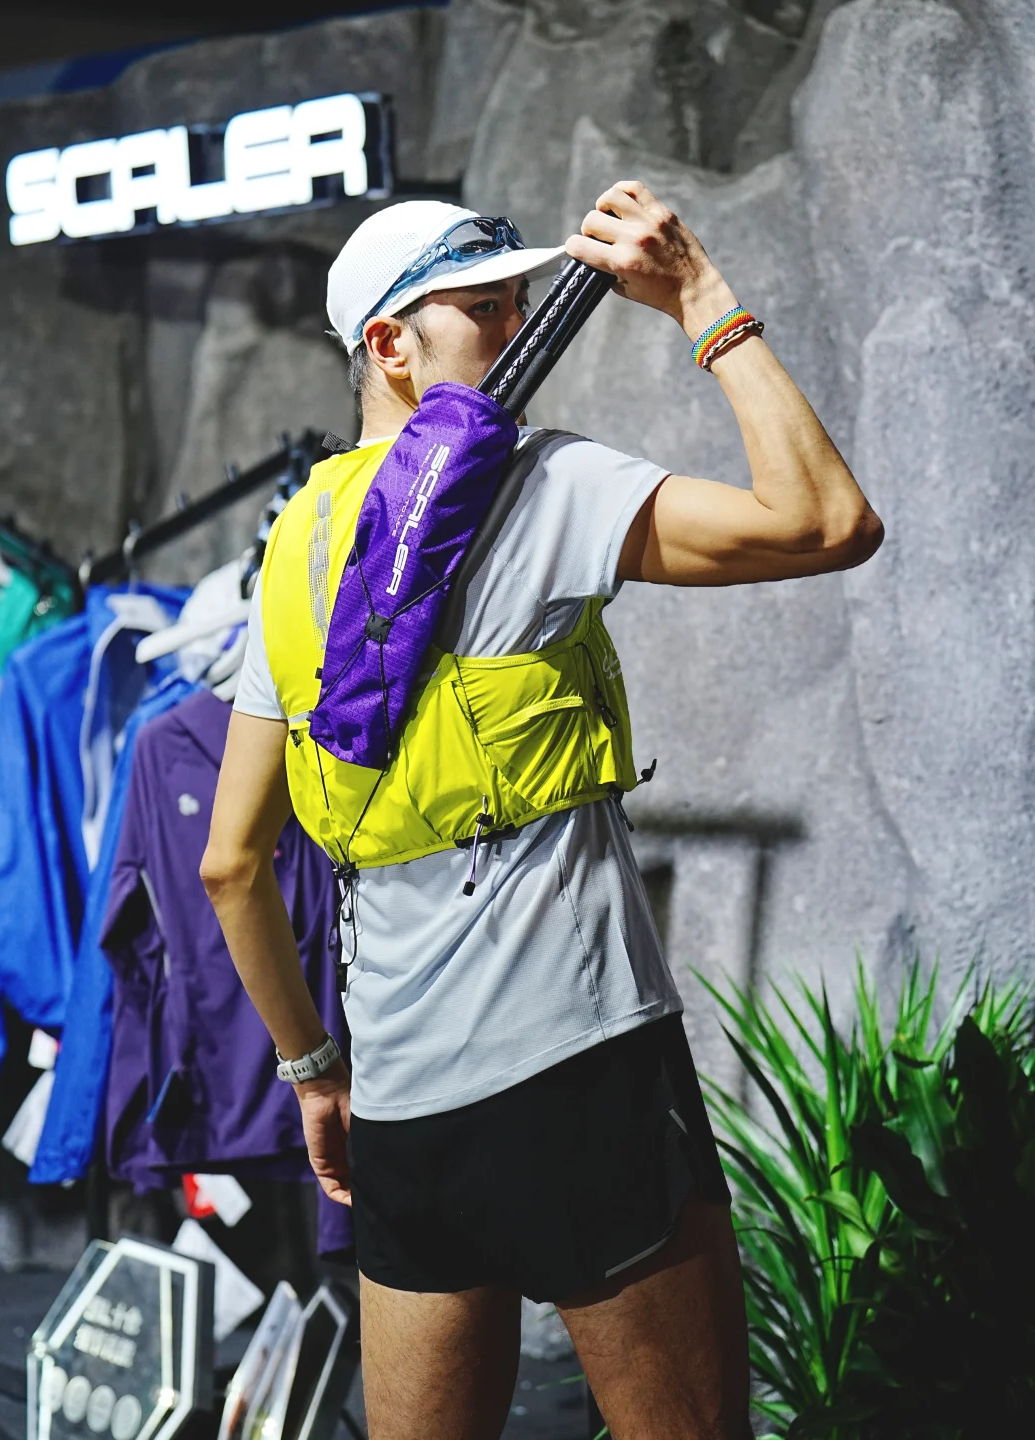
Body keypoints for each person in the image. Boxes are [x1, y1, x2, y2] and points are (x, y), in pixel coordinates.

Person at [202, 182, 883, 1440]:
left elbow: (229, 868)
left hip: (402, 1104)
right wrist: (703, 299)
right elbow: (827, 521)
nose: (519, 327)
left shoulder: (290, 547)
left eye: (519, 299)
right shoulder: (539, 481)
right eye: (484, 309)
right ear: (391, 346)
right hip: (582, 1073)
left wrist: (312, 1075)